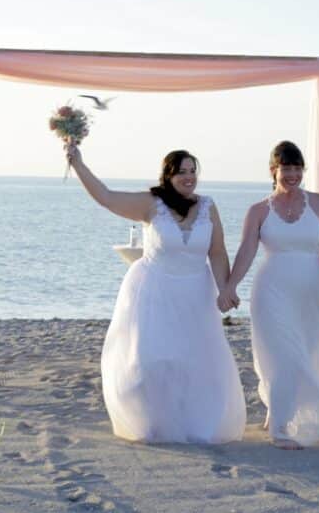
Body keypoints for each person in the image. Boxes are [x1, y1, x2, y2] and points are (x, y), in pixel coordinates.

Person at [66, 144, 246, 443]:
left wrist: (225, 288)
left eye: (192, 172)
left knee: (196, 361)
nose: (189, 178)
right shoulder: (152, 204)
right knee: (153, 359)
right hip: (154, 291)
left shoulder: (208, 206)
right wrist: (79, 165)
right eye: (181, 172)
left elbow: (216, 252)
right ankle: (151, 421)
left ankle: (195, 425)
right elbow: (106, 197)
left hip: (195, 294)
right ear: (168, 176)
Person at [217, 140, 319, 449]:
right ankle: (280, 430)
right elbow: (246, 252)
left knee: (308, 354)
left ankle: (276, 411)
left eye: (298, 168)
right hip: (271, 294)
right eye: (286, 168)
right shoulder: (258, 211)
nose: (292, 175)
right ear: (273, 170)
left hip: (310, 295)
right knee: (282, 357)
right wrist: (230, 286)